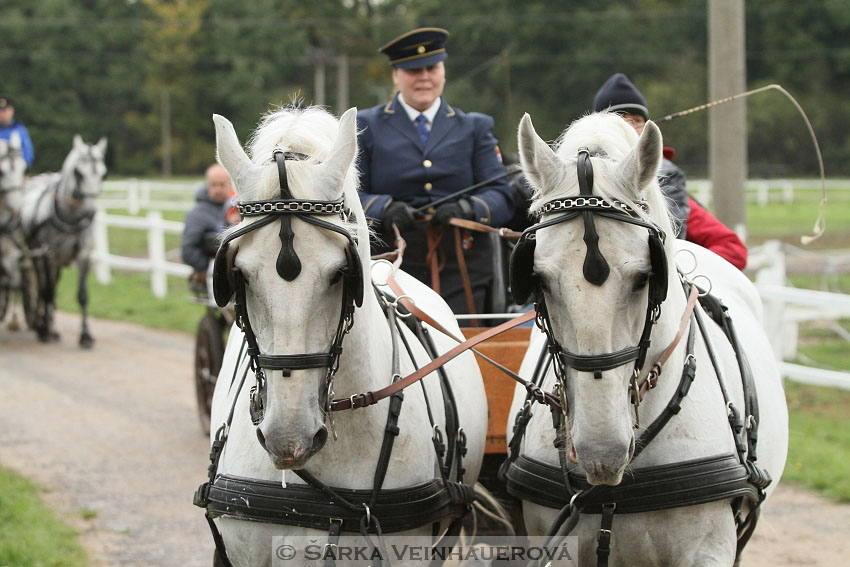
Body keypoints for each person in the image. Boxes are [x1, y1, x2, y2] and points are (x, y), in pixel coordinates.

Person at [357, 28, 515, 314]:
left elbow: (502, 197)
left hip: (461, 265)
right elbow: (351, 195)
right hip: (389, 264)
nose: (424, 77)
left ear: (443, 72)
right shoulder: (366, 126)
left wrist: (468, 208)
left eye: (432, 68)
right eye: (413, 70)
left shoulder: (475, 128)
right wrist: (383, 207)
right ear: (396, 75)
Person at [593, 73, 747, 270]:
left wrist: (684, 272)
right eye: (621, 121)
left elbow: (731, 247)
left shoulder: (668, 182)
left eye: (636, 121)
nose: (630, 129)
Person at [181, 164, 234, 294]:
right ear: (207, 185)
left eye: (222, 185)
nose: (218, 189)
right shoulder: (197, 214)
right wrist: (211, 269)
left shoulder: (236, 209)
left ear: (230, 184)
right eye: (214, 185)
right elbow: (188, 249)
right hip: (214, 276)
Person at [0, 94, 35, 168]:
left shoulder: (20, 130)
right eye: (0, 111)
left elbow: (28, 153)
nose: (2, 114)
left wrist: (23, 167)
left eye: (4, 110)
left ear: (11, 111)